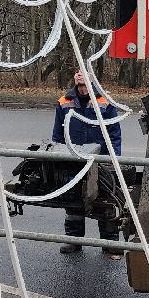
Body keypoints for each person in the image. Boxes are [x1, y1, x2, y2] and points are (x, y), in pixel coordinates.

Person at [51, 71, 123, 257]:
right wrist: (58, 156)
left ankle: (110, 242)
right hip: (74, 157)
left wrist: (112, 159)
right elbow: (57, 134)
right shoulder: (64, 101)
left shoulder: (105, 102)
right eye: (77, 75)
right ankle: (74, 240)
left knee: (105, 200)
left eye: (84, 76)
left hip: (100, 159)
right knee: (73, 200)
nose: (80, 79)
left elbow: (114, 133)